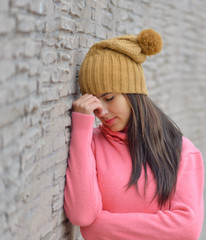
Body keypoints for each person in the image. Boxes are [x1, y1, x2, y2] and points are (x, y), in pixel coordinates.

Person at [64, 29, 204, 240]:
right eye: (93, 101)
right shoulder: (89, 143)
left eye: (109, 98)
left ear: (134, 94)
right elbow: (82, 216)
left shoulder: (182, 151)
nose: (101, 111)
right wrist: (82, 127)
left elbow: (187, 229)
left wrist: (102, 226)